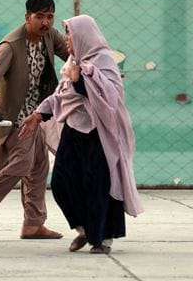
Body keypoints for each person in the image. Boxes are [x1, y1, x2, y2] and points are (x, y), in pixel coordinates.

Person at [19, 14, 144, 254]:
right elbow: (62, 96)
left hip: (99, 135)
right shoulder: (73, 62)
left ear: (83, 35)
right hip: (74, 132)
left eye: (69, 33)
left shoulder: (104, 60)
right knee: (61, 184)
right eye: (66, 33)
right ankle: (84, 230)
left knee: (97, 187)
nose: (66, 39)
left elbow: (111, 97)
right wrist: (38, 114)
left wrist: (83, 80)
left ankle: (101, 239)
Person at [0, 0, 69, 241]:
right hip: (12, 119)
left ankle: (33, 224)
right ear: (27, 17)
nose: (45, 23)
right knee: (19, 166)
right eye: (39, 17)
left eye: (49, 17)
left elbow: (73, 54)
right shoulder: (10, 46)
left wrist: (100, 68)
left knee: (38, 168)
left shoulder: (49, 37)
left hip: (35, 118)